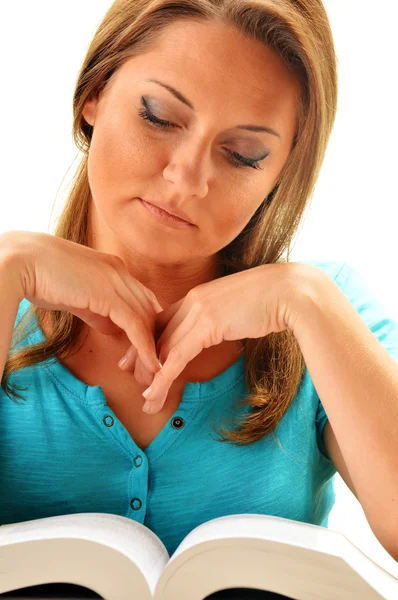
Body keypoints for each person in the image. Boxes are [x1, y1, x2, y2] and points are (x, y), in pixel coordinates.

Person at [1, 0, 398, 598]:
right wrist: (8, 269)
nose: (187, 179)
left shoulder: (329, 310)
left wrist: (307, 299)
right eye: (159, 116)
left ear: (280, 173)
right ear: (95, 93)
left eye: (243, 155)